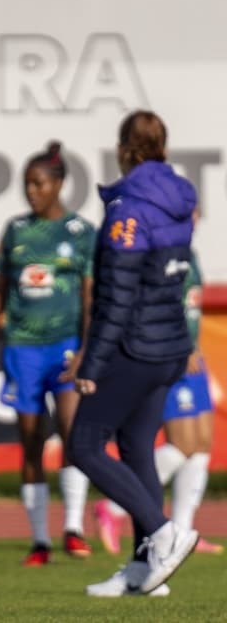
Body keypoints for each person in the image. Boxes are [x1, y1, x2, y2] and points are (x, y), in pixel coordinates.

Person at [68, 111, 198, 597]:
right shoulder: (179, 198)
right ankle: (147, 573)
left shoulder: (129, 206)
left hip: (134, 345)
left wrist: (92, 363)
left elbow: (118, 295)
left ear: (125, 147)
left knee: (83, 443)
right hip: (169, 344)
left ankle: (164, 534)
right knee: (137, 447)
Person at [0, 142, 96, 566]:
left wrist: (86, 349)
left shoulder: (81, 232)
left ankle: (75, 528)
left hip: (65, 347)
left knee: (72, 431)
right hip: (23, 348)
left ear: (59, 184)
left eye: (39, 183)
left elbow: (88, 296)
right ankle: (40, 541)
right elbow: (1, 291)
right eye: (27, 184)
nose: (31, 191)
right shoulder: (16, 230)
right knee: (31, 442)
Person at [94, 237, 222, 556]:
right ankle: (113, 508)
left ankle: (183, 530)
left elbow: (190, 303)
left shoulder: (189, 252)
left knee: (202, 442)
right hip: (170, 352)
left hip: (194, 355)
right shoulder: (153, 250)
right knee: (183, 444)